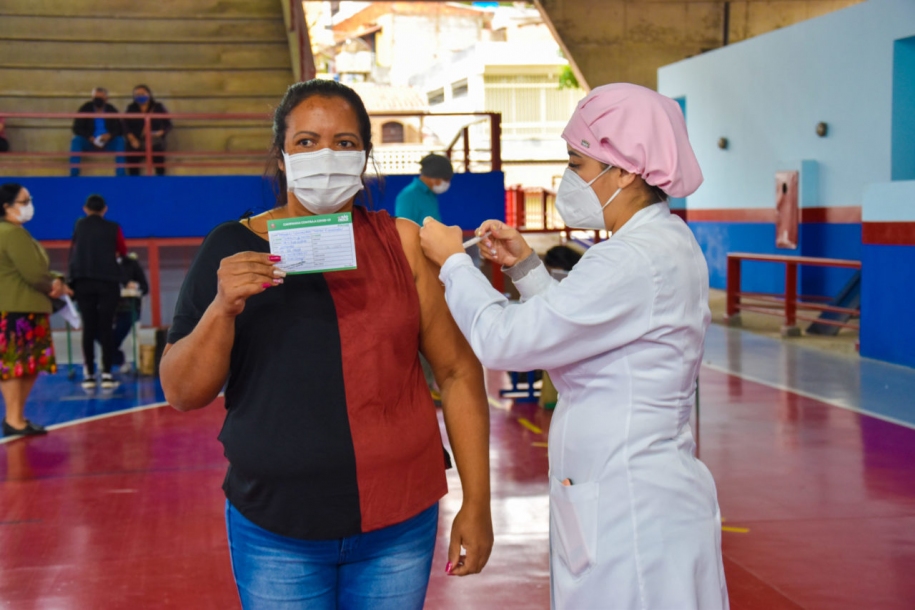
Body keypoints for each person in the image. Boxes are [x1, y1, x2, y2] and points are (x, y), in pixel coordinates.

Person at [159, 79, 493, 609]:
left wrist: (478, 501)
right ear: (282, 154)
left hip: (399, 523)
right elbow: (182, 392)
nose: (326, 156)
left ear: (364, 156)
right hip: (276, 527)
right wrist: (222, 308)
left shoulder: (401, 244)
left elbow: (457, 372)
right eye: (307, 142)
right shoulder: (233, 248)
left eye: (344, 143)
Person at [419, 83, 729, 610]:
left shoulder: (630, 258)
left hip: (629, 505)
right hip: (635, 490)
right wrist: (524, 267)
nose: (569, 178)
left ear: (625, 170)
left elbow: (505, 341)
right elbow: (578, 330)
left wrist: (453, 264)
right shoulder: (662, 242)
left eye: (576, 163)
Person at [0, 183, 71, 437]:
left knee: (23, 365)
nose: (29, 205)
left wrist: (55, 279)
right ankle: (14, 418)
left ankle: (16, 417)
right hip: (18, 309)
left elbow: (35, 269)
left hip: (18, 308)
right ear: (7, 206)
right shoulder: (12, 234)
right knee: (16, 365)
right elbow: (33, 273)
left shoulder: (14, 232)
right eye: (24, 201)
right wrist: (55, 285)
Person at [69, 194, 126, 390]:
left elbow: (74, 252)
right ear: (105, 209)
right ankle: (107, 373)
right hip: (108, 281)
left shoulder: (79, 226)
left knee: (89, 327)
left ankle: (89, 374)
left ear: (85, 209)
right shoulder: (113, 227)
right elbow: (122, 250)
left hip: (83, 281)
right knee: (106, 327)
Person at [70, 87, 126, 177]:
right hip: (90, 142)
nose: (98, 100)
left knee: (120, 141)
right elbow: (76, 128)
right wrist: (89, 137)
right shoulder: (86, 108)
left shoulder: (111, 109)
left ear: (106, 99)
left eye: (101, 98)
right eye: (96, 98)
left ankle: (121, 175)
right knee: (76, 140)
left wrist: (109, 135)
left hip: (107, 143)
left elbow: (119, 128)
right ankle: (74, 174)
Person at [124, 84, 172, 176]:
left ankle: (160, 179)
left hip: (154, 140)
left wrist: (161, 132)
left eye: (143, 94)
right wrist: (132, 138)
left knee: (158, 154)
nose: (140, 96)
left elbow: (168, 124)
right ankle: (134, 181)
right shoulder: (131, 108)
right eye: (137, 94)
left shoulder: (158, 107)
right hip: (137, 140)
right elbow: (125, 125)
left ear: (149, 94)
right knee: (131, 154)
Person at [112, 252, 148, 371]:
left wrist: (135, 286)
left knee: (124, 322)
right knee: (95, 329)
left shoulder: (131, 263)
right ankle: (118, 358)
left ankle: (114, 356)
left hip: (128, 308)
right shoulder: (100, 264)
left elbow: (145, 287)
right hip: (107, 309)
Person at [394, 153, 453, 225]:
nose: (448, 183)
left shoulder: (430, 194)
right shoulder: (409, 196)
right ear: (434, 177)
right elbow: (403, 228)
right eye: (446, 179)